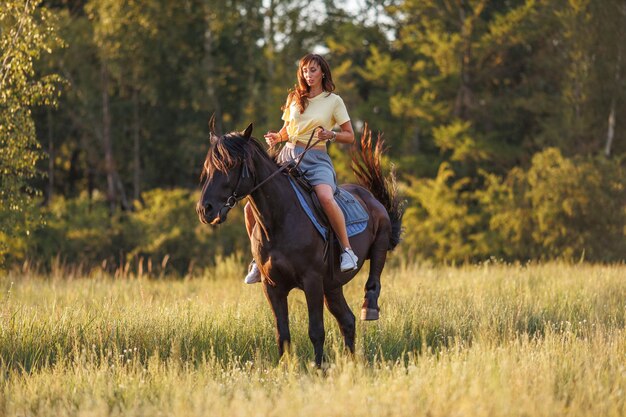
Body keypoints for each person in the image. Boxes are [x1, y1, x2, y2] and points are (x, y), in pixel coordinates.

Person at [244, 53, 358, 284]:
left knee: (325, 197)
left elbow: (350, 136)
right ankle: (257, 259)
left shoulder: (333, 101)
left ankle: (347, 251)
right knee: (250, 207)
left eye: (313, 70)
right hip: (287, 155)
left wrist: (331, 134)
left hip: (316, 158)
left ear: (323, 72)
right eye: (305, 71)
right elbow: (288, 129)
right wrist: (277, 137)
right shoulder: (294, 97)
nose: (309, 75)